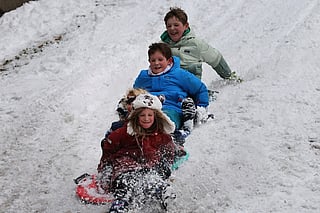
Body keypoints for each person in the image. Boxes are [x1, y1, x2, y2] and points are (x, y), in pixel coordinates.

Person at [97, 94, 176, 212]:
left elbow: (169, 152)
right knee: (126, 184)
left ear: (156, 116)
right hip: (125, 167)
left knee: (154, 181)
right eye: (142, 115)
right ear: (136, 117)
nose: (146, 118)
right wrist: (105, 169)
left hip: (149, 167)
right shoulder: (124, 133)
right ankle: (120, 205)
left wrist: (165, 166)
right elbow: (108, 148)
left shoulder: (161, 135)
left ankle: (164, 196)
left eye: (150, 115)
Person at [133, 42, 209, 149]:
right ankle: (134, 147)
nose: (156, 63)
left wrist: (201, 107)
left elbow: (200, 89)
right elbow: (136, 94)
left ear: (169, 61)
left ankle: (167, 146)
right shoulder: (143, 76)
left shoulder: (179, 74)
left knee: (162, 124)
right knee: (133, 125)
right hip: (147, 110)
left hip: (171, 109)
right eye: (153, 60)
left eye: (160, 59)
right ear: (149, 61)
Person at [160, 7, 240, 81]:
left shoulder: (195, 44)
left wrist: (228, 76)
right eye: (169, 26)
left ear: (186, 26)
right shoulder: (162, 46)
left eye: (176, 25)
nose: (172, 28)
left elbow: (215, 58)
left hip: (192, 85)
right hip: (169, 84)